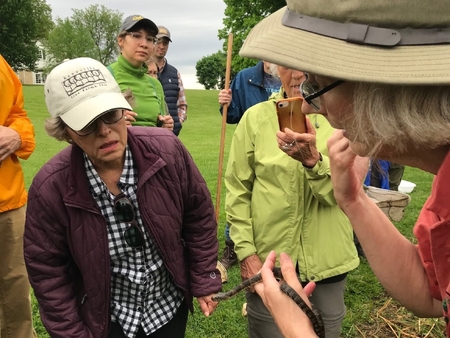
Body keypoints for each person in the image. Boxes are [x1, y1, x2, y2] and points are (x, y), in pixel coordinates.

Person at [239, 0, 450, 336]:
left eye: (315, 86)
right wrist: (353, 199)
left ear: (382, 89)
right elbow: (432, 292)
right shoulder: (445, 191)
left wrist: (298, 331)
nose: (306, 106)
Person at [23, 57, 221, 338]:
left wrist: (203, 278)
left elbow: (198, 216)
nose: (104, 131)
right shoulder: (50, 187)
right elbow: (48, 271)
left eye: (111, 114)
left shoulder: (168, 150)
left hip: (167, 310)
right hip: (106, 320)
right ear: (66, 131)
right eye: (87, 124)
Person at [225, 64, 359, 338]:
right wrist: (247, 252)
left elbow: (342, 196)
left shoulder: (345, 120)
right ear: (275, 69)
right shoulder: (255, 119)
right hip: (269, 259)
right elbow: (238, 191)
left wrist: (313, 163)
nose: (300, 74)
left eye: (308, 64)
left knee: (325, 331)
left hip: (328, 261)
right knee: (268, 330)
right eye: (289, 65)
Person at [218, 60, 281, 269]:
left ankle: (271, 243)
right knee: (240, 191)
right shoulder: (245, 77)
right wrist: (226, 103)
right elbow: (234, 114)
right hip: (250, 145)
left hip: (280, 146)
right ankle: (232, 245)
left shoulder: (287, 75)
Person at [0, 55, 37, 338]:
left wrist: (17, 135)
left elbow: (17, 113)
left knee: (14, 285)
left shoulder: (2, 65)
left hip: (9, 201)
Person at [108, 15, 174, 131]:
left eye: (149, 39)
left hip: (153, 148)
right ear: (120, 40)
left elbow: (161, 123)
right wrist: (114, 121)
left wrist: (165, 126)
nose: (144, 44)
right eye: (137, 36)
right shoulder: (105, 76)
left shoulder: (155, 85)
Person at [153, 25, 187, 136]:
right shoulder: (142, 70)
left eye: (165, 43)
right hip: (149, 133)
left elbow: (182, 104)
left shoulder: (174, 72)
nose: (162, 46)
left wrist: (178, 122)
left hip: (171, 135)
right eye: (158, 41)